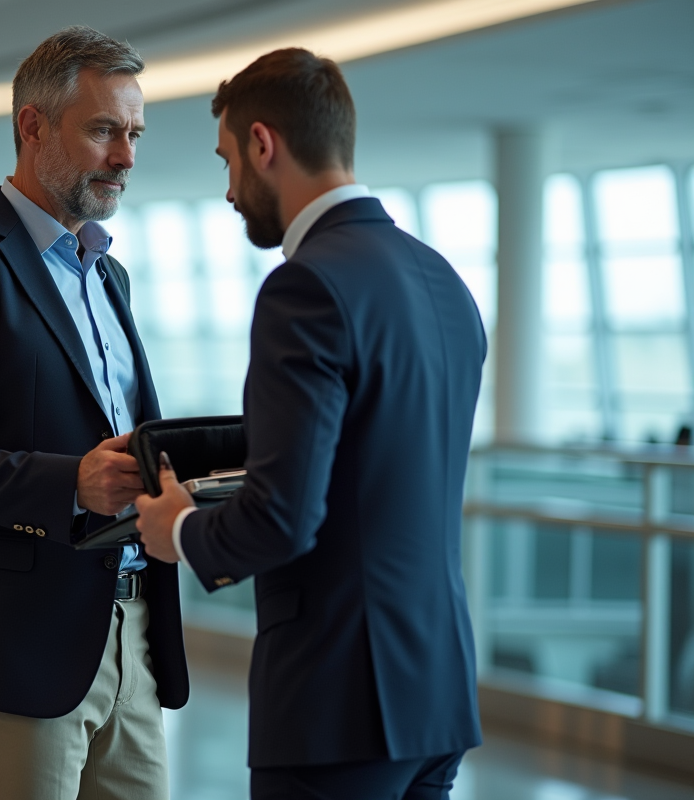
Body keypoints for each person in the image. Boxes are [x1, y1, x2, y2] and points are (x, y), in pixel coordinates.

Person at [136, 48, 486, 799]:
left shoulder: (306, 289)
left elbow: (285, 517)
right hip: (438, 691)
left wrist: (180, 530)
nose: (229, 190)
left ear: (264, 144)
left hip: (339, 701)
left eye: (229, 161)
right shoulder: (443, 280)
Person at [0, 26, 188, 800]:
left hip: (132, 637)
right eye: (104, 130)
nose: (125, 156)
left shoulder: (109, 276)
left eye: (134, 134)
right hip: (16, 645)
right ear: (33, 126)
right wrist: (69, 484)